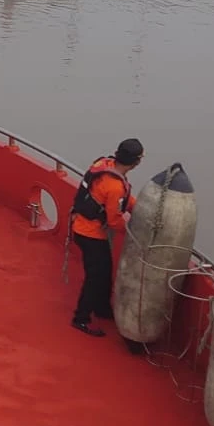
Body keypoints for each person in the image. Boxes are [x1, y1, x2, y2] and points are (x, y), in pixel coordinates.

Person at [69, 139, 143, 337]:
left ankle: (101, 308)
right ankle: (81, 318)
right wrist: (133, 235)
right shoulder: (115, 186)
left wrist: (139, 208)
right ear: (136, 162)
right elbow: (114, 219)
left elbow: (119, 201)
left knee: (104, 270)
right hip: (90, 234)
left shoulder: (105, 166)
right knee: (95, 277)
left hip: (81, 226)